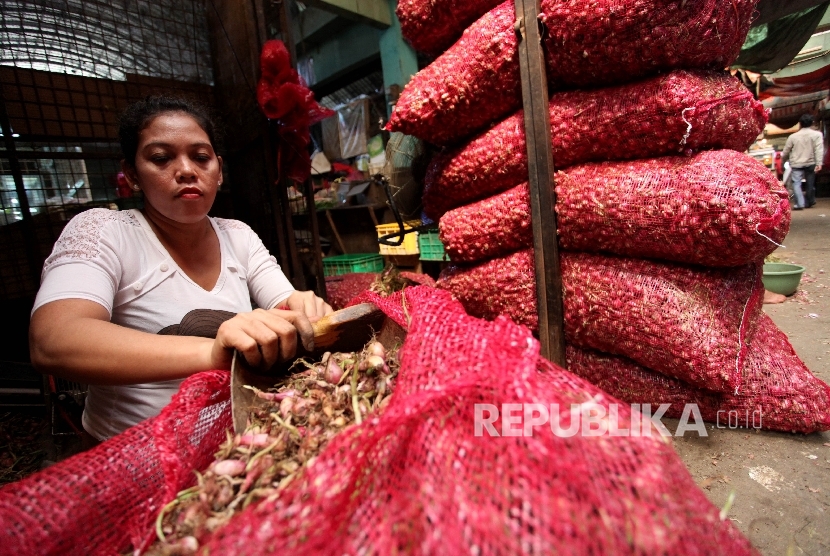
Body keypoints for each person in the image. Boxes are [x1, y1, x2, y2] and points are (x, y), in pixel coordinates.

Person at [29, 95, 332, 442]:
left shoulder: (238, 236)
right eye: (161, 158)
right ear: (132, 175)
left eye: (201, 158)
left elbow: (283, 299)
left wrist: (299, 306)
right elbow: (53, 339)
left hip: (233, 442)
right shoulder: (105, 231)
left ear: (218, 171)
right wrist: (212, 353)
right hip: (132, 453)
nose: (187, 170)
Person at [781, 113, 824, 210]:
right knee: (810, 183)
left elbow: (786, 151)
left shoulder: (793, 136)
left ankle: (799, 204)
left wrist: (783, 162)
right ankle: (809, 201)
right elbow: (819, 149)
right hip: (810, 162)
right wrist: (819, 163)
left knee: (796, 183)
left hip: (796, 163)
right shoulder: (817, 135)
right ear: (812, 122)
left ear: (800, 123)